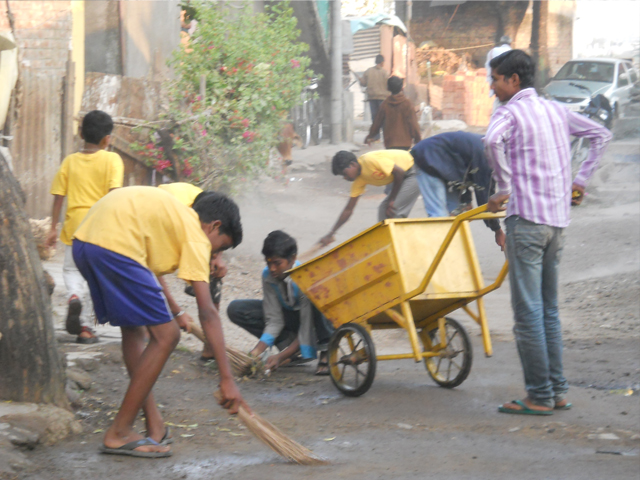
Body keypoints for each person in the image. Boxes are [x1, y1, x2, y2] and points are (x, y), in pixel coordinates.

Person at [72, 186, 247, 457]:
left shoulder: (179, 214)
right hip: (115, 248)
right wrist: (227, 379)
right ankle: (118, 433)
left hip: (85, 242)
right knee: (167, 336)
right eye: (220, 247)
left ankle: (154, 425)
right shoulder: (196, 236)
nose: (214, 257)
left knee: (135, 331)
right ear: (214, 226)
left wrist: (175, 311)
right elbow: (207, 312)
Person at [484, 50, 612, 415]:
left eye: (495, 79)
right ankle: (556, 391)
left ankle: (538, 395)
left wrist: (502, 189)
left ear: (513, 80)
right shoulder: (556, 110)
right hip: (556, 224)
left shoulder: (508, 113)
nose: (492, 87)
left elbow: (491, 141)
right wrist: (581, 180)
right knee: (549, 311)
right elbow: (600, 135)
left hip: (526, 223)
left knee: (528, 314)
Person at [45, 110, 124, 344]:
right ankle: (87, 329)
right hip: (100, 225)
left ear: (80, 133)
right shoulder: (112, 160)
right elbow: (115, 196)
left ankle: (73, 296)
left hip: (74, 226)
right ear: (107, 139)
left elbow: (59, 196)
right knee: (95, 277)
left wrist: (52, 228)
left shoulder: (69, 161)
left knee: (71, 270)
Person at [227, 231, 334, 376]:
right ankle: (290, 349)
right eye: (268, 262)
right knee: (236, 309)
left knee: (319, 301)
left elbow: (306, 327)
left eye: (277, 263)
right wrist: (256, 352)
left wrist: (280, 357)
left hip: (313, 325)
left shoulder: (304, 278)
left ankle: (327, 351)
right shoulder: (268, 276)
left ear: (292, 259)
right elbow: (274, 319)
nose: (272, 268)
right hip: (292, 320)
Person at [157, 182, 227, 361]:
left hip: (191, 215)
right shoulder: (174, 218)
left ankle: (209, 346)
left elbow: (221, 228)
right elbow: (153, 273)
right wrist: (177, 312)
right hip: (166, 216)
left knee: (213, 276)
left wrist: (217, 256)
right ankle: (151, 335)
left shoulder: (207, 211)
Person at [410, 131, 504, 245]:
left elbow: (465, 170)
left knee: (456, 213)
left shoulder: (490, 148)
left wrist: (466, 201)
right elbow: (486, 197)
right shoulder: (488, 156)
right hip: (427, 157)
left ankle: (453, 251)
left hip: (446, 164)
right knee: (438, 215)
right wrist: (497, 230)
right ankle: (440, 253)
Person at [319, 150, 419, 246]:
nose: (345, 178)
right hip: (404, 176)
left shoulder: (369, 161)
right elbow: (348, 209)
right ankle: (389, 243)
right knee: (383, 210)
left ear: (353, 164)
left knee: (394, 209)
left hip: (414, 170)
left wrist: (391, 200)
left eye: (345, 174)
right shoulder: (359, 181)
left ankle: (402, 245)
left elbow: (399, 172)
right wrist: (331, 233)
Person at [364, 76, 421, 150]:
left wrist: (370, 136)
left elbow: (377, 123)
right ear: (402, 88)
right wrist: (418, 139)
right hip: (405, 143)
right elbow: (413, 124)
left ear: (388, 88)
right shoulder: (407, 104)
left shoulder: (385, 105)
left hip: (390, 144)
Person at [359, 54, 390, 141]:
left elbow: (363, 83)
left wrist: (361, 80)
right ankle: (386, 137)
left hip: (372, 97)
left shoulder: (368, 71)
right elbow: (389, 85)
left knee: (375, 118)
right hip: (383, 98)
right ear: (382, 62)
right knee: (383, 117)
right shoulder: (385, 73)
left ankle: (376, 137)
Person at [485, 35, 512, 112]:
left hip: (496, 82)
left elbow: (488, 67)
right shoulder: (513, 53)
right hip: (508, 84)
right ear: (510, 44)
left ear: (500, 43)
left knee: (497, 103)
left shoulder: (493, 51)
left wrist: (491, 82)